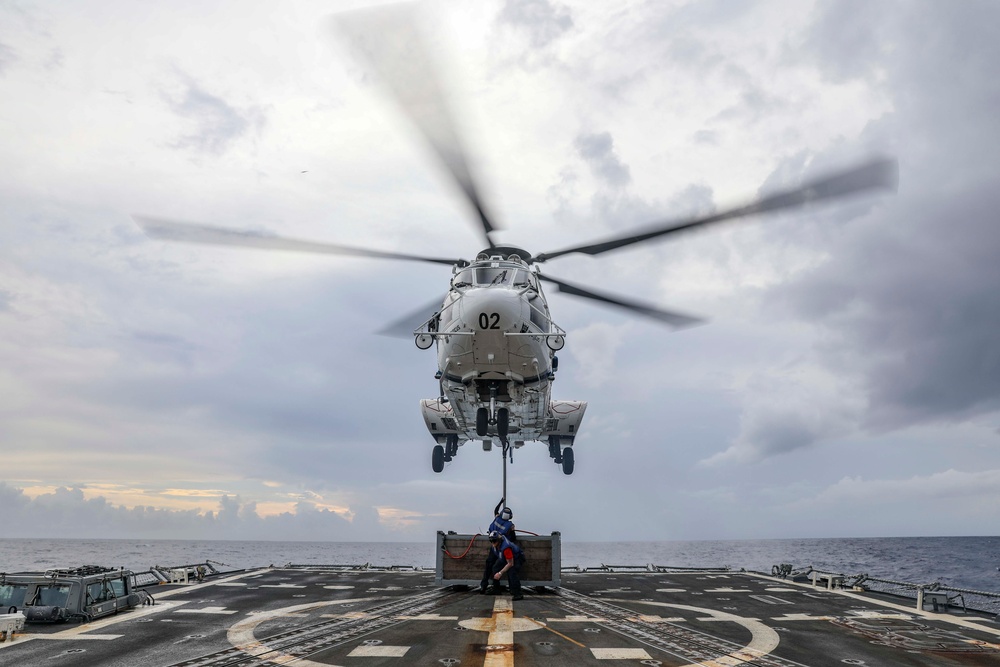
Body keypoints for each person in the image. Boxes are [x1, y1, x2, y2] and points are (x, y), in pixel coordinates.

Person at [480, 498, 516, 593]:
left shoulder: (497, 518)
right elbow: (513, 539)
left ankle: (484, 585)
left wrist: (500, 502)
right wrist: (512, 531)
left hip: (494, 546)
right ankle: (497, 588)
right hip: (502, 548)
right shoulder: (509, 525)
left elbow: (495, 510)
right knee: (498, 568)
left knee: (489, 566)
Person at [486, 530, 525, 600]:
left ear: (499, 540)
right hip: (504, 558)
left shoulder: (506, 548)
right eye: (491, 541)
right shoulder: (495, 545)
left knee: (512, 573)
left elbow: (510, 563)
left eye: (494, 541)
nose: (492, 543)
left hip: (515, 558)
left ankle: (518, 593)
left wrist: (500, 573)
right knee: (495, 568)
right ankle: (496, 589)